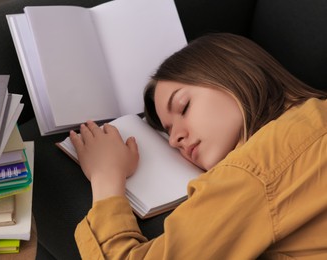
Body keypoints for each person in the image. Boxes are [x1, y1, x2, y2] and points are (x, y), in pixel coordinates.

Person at [69, 33, 327, 259]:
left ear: (234, 73)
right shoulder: (314, 117)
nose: (174, 140)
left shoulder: (254, 171)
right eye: (168, 132)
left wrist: (106, 176)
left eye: (184, 106)